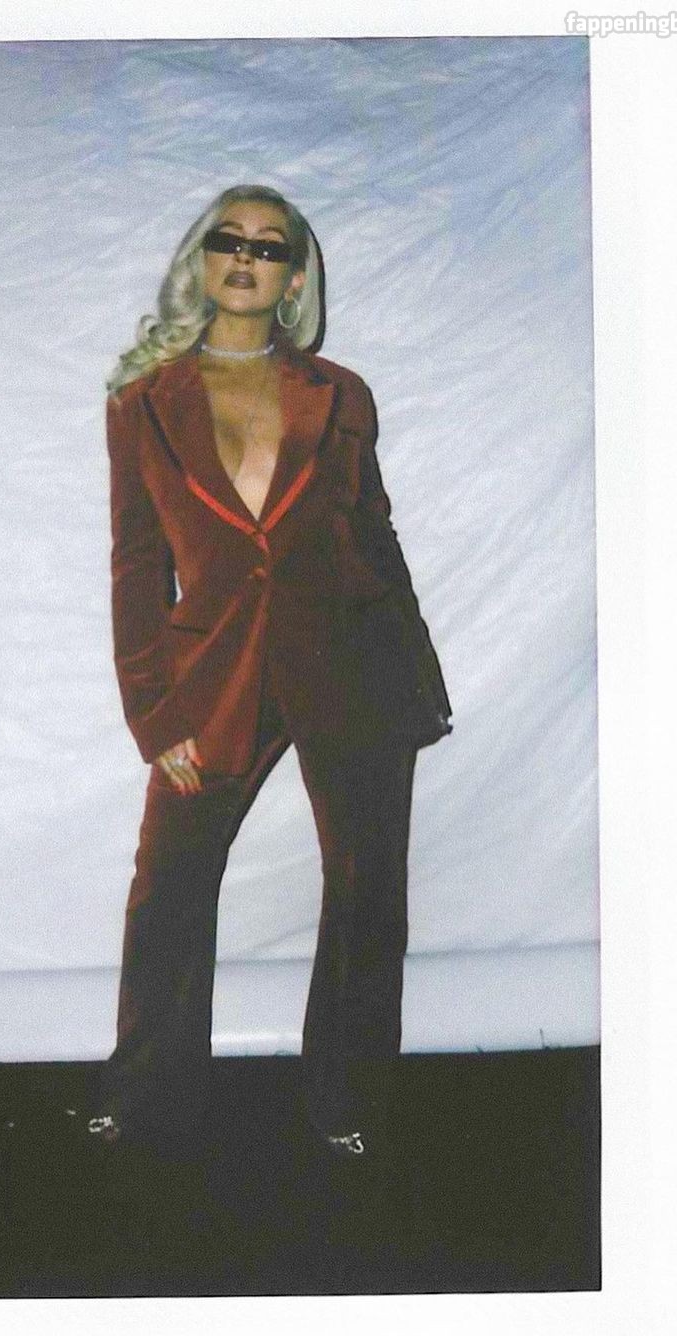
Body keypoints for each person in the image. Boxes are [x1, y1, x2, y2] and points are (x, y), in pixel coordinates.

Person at [90, 184, 452, 1160]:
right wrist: (154, 712)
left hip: (353, 662)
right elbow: (136, 567)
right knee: (168, 886)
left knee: (366, 889)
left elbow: (374, 534)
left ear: (295, 277)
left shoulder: (341, 394)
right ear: (202, 259)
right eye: (230, 239)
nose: (247, 257)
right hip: (214, 676)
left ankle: (349, 1101)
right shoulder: (142, 404)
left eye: (270, 245)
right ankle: (147, 1094)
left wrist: (414, 677)